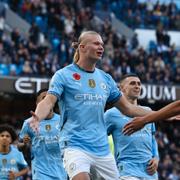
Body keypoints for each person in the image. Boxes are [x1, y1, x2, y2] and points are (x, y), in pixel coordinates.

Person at [29, 31, 152, 180]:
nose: (101, 47)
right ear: (82, 47)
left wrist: (161, 114)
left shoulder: (106, 79)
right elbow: (49, 101)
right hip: (74, 145)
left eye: (102, 44)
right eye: (96, 43)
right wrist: (38, 117)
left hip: (102, 150)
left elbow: (129, 109)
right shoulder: (63, 75)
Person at [105, 74, 159, 180]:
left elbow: (152, 138)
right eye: (132, 83)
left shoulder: (148, 111)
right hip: (127, 171)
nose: (137, 86)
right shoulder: (111, 114)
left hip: (150, 172)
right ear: (121, 88)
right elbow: (98, 135)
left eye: (139, 84)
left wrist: (156, 157)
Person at [18, 89, 67, 180]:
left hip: (60, 169)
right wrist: (24, 143)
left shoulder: (62, 120)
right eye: (43, 98)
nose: (47, 100)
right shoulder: (29, 123)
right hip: (40, 170)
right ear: (37, 103)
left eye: (49, 98)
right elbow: (19, 146)